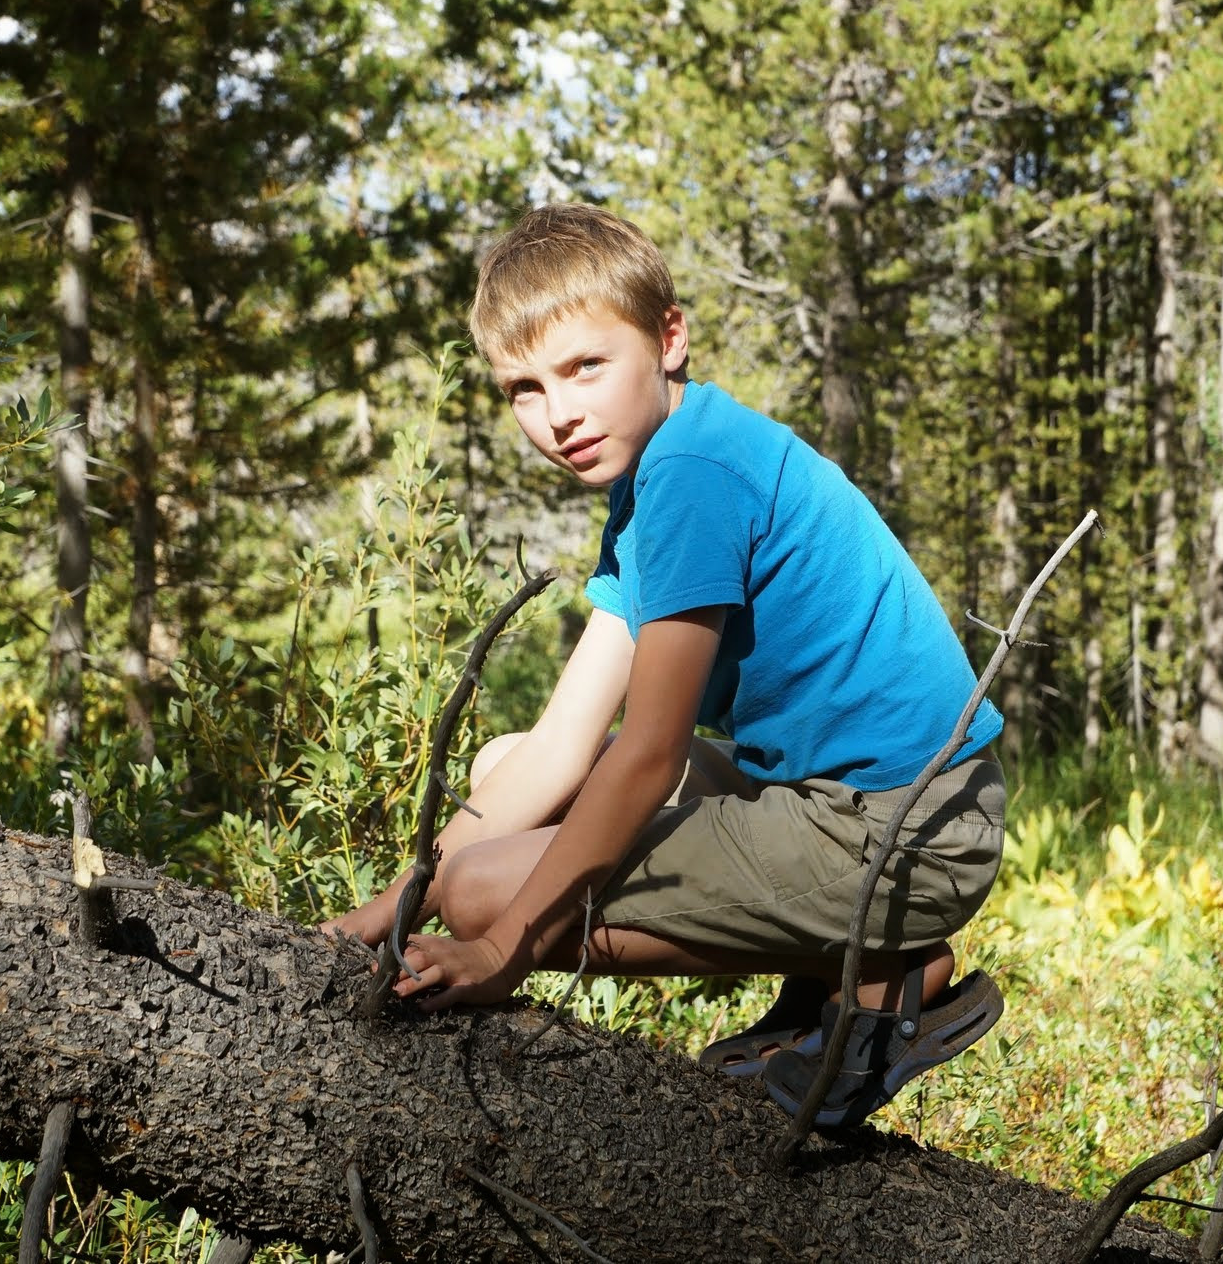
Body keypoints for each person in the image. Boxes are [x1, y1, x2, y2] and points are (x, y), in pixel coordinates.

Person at [323, 202, 1008, 1129]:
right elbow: (565, 744)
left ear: (668, 338)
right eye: (523, 387)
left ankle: (878, 987)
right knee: (500, 771)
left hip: (906, 834)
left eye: (583, 367)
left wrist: (504, 950)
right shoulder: (662, 472)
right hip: (875, 805)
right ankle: (871, 972)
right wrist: (388, 908)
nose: (558, 415)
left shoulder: (694, 477)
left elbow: (648, 754)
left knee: (483, 893)